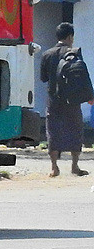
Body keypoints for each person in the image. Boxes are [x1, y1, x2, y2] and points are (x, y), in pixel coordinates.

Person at [39, 22, 89, 177]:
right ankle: (75, 166)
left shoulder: (47, 54)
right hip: (72, 101)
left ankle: (54, 167)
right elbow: (82, 75)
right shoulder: (75, 53)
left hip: (53, 100)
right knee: (75, 129)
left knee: (53, 130)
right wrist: (89, 95)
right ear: (70, 36)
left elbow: (43, 78)